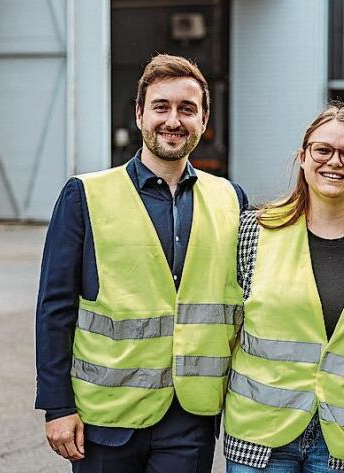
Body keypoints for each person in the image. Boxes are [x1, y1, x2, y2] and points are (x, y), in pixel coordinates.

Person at [35, 53, 247, 473]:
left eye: (187, 109)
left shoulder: (231, 199)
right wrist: (57, 405)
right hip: (106, 418)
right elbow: (55, 307)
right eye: (161, 107)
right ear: (139, 114)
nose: (173, 120)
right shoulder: (84, 195)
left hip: (191, 418)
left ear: (204, 120)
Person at [222, 102, 344, 472]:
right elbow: (225, 324)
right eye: (323, 150)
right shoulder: (255, 230)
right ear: (302, 157)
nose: (335, 161)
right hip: (261, 437)